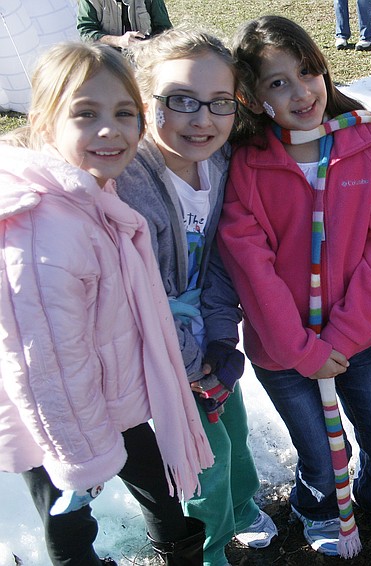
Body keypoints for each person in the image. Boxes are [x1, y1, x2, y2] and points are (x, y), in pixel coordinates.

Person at [0, 41, 213, 565]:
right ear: (46, 124)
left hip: (111, 396)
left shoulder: (89, 193)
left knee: (163, 496)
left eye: (124, 113)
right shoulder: (42, 233)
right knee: (68, 522)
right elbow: (46, 367)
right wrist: (85, 461)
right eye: (85, 114)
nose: (109, 130)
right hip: (57, 423)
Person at [220, 15, 371, 557]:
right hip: (281, 348)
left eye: (307, 72)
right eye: (277, 82)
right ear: (255, 96)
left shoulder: (366, 140)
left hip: (355, 337)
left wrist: (343, 336)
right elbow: (252, 269)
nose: (300, 91)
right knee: (316, 449)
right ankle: (319, 506)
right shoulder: (247, 164)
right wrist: (302, 350)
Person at [116, 28, 278, 566]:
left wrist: (219, 341)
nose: (201, 119)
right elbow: (144, 296)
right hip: (156, 350)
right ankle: (209, 548)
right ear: (144, 102)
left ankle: (242, 506)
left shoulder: (220, 162)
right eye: (180, 101)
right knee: (205, 455)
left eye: (219, 103)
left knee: (233, 426)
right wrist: (191, 364)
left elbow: (216, 262)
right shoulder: (130, 184)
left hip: (201, 337)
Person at [77, 0, 173, 49]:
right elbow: (86, 33)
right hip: (109, 62)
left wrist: (149, 42)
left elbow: (165, 30)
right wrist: (118, 41)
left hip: (146, 57)